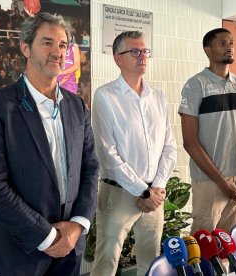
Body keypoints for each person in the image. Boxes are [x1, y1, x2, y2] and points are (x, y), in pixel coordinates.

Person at [0, 12, 99, 276]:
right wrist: (48, 236)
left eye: (63, 45)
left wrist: (77, 226)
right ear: (25, 48)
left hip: (70, 248)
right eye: (47, 42)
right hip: (21, 249)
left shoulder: (77, 105)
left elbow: (90, 168)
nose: (57, 52)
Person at [90, 31, 177, 276]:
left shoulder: (158, 96)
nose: (142, 56)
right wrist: (143, 191)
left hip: (155, 194)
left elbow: (169, 145)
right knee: (106, 261)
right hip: (119, 192)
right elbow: (107, 153)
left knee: (151, 262)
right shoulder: (106, 96)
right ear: (118, 58)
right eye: (135, 52)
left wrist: (156, 187)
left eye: (145, 51)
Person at [178, 28, 236, 234]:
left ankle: (226, 269)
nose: (229, 47)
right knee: (202, 248)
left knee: (227, 246)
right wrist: (222, 182)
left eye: (231, 43)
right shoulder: (195, 85)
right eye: (222, 43)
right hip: (208, 182)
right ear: (207, 50)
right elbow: (190, 142)